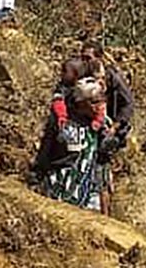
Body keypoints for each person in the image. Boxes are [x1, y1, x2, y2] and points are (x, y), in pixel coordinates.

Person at [33, 77, 104, 211]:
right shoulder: (64, 123)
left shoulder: (100, 123)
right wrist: (38, 172)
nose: (99, 106)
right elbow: (47, 148)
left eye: (101, 101)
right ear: (81, 103)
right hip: (60, 186)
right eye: (94, 102)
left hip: (88, 189)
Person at [80, 40, 134, 216]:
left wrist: (115, 127)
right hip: (90, 128)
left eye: (88, 58)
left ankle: (104, 216)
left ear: (99, 58)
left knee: (100, 168)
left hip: (109, 129)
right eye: (82, 58)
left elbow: (128, 104)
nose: (84, 61)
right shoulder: (84, 76)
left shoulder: (113, 78)